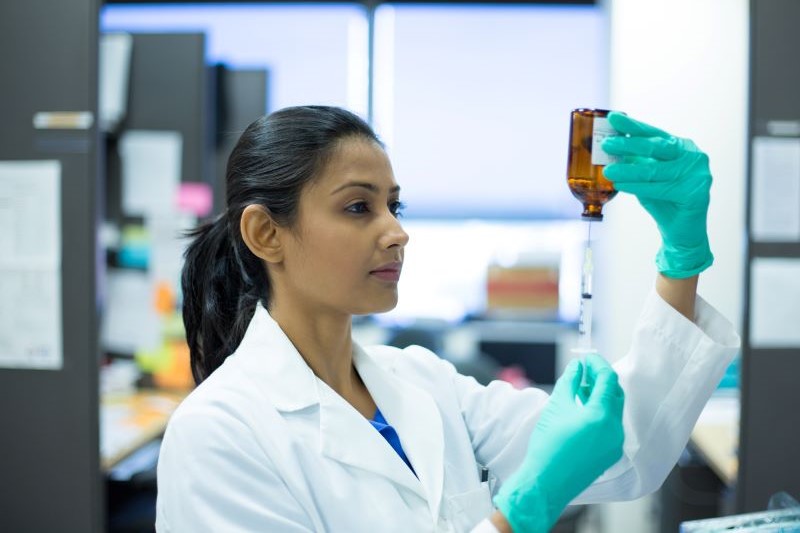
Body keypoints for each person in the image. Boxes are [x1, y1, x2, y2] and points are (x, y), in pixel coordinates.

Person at [156, 106, 739, 532]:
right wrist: (522, 511)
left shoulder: (422, 383)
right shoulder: (218, 435)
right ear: (266, 233)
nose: (396, 231)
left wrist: (680, 258)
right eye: (358, 206)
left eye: (394, 205)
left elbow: (623, 450)